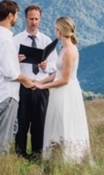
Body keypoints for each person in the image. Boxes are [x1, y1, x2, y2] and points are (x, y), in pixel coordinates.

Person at [33, 16, 91, 164]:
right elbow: (57, 73)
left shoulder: (70, 51)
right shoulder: (64, 48)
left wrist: (43, 86)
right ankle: (56, 156)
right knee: (57, 122)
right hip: (59, 91)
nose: (54, 32)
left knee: (64, 122)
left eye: (55, 29)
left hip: (66, 92)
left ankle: (67, 159)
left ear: (60, 31)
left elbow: (64, 80)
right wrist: (41, 80)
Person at [0, 0, 34, 162]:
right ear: (10, 15)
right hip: (7, 93)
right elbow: (9, 72)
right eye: (17, 15)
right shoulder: (5, 40)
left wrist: (14, 58)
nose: (17, 18)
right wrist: (25, 79)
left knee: (12, 128)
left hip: (0, 91)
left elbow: (2, 61)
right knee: (4, 137)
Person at [13, 4, 57, 159]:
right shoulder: (16, 40)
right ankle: (20, 155)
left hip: (41, 87)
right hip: (22, 87)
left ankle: (38, 155)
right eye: (31, 19)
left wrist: (46, 66)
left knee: (40, 124)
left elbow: (55, 65)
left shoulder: (46, 40)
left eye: (36, 19)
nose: (33, 22)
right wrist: (14, 59)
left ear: (40, 19)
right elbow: (7, 66)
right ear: (25, 19)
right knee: (21, 123)